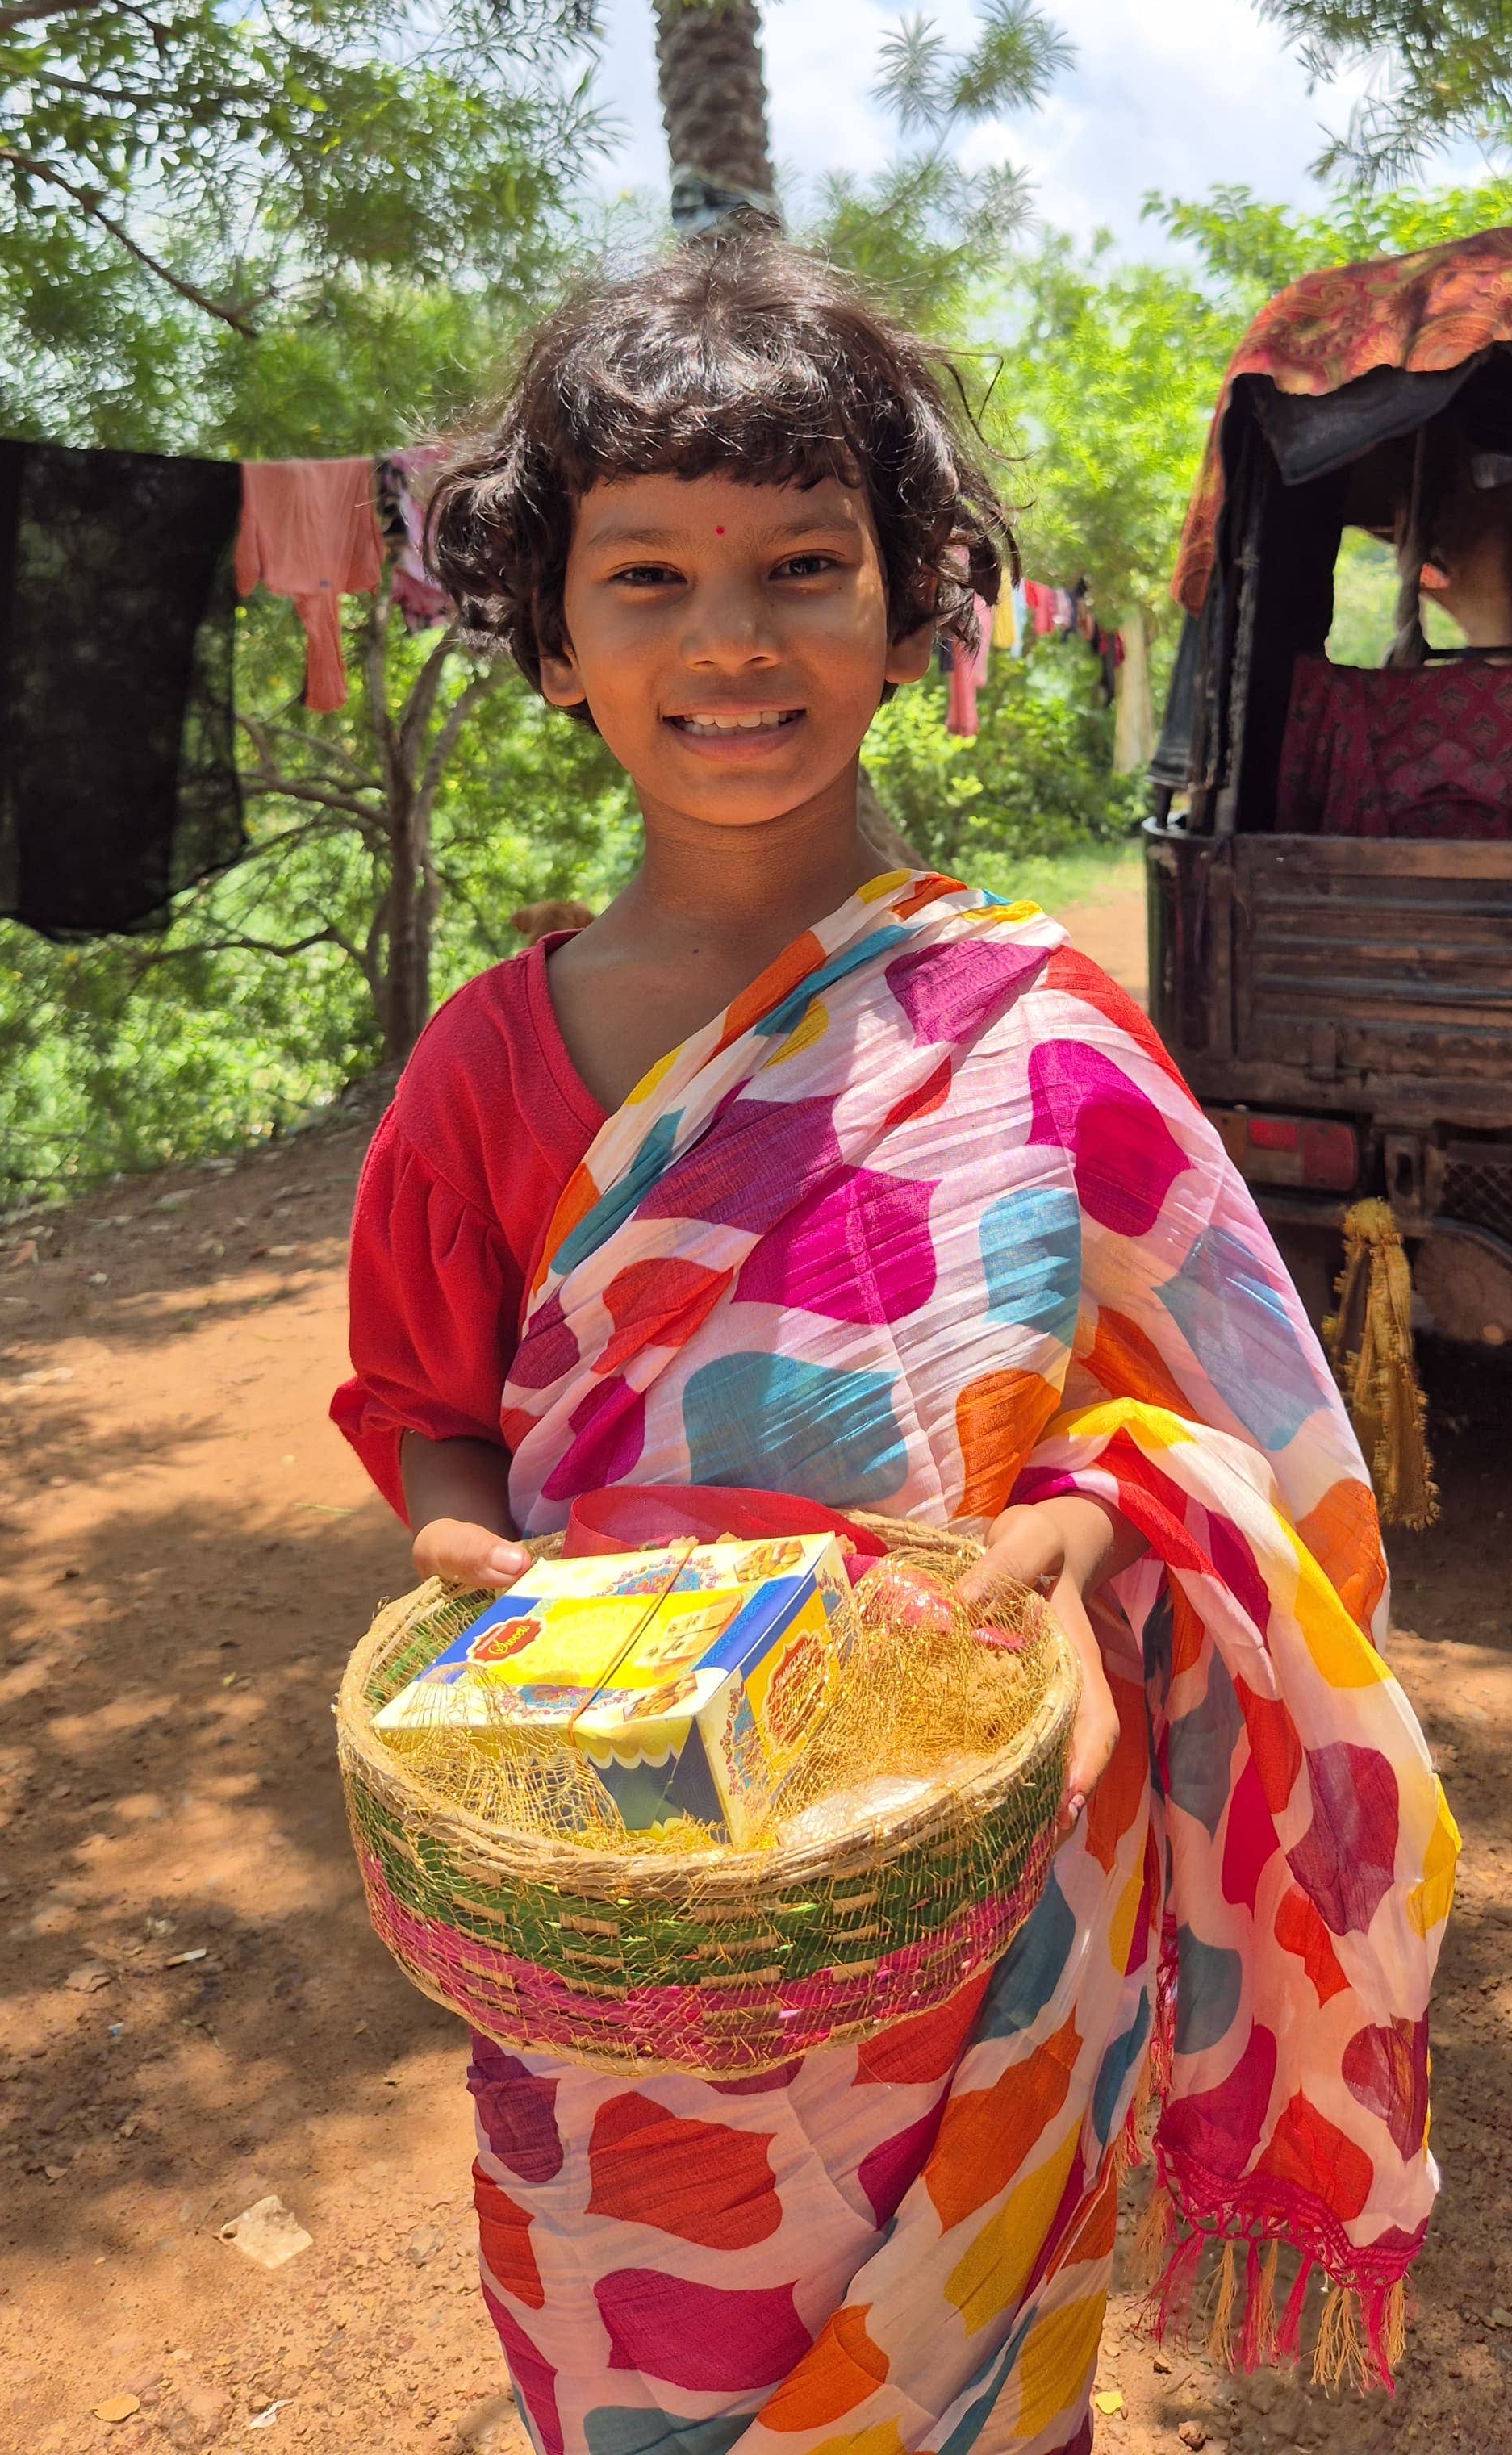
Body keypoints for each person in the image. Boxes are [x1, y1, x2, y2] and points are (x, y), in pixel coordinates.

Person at [334, 234, 1455, 2455]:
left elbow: (1223, 1426)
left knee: (971, 2387)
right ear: (550, 638)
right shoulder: (485, 1068)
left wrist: (1073, 1526)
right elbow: (425, 1408)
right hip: (623, 1889)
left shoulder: (1038, 1040)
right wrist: (472, 1558)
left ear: (913, 606)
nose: (728, 639)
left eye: (802, 566)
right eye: (644, 577)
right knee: (642, 2368)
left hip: (966, 1906)